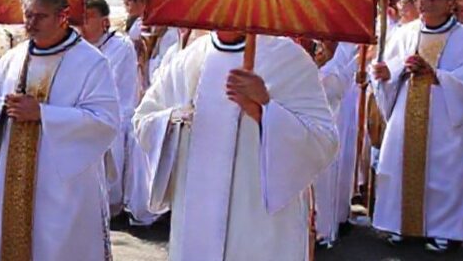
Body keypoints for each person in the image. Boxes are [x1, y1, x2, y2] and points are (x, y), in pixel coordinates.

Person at [134, 31, 337, 260]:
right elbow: (144, 119)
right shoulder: (188, 58)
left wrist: (264, 110)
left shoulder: (288, 58)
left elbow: (323, 139)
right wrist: (173, 119)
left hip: (256, 218)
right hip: (196, 213)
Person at [0, 0, 119, 260]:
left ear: (63, 16)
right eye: (28, 15)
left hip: (63, 180)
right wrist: (2, 108)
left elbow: (105, 120)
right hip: (14, 177)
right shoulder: (13, 58)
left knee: (59, 246)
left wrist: (43, 114)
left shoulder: (90, 62)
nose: (31, 23)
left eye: (40, 16)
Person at [370, 0, 463, 253]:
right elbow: (388, 69)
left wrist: (438, 76)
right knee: (400, 167)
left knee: (444, 174)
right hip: (405, 113)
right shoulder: (405, 32)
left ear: (451, 3)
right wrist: (386, 74)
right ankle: (403, 225)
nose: (425, 3)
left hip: (446, 117)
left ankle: (444, 231)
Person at [79, 0, 139, 217]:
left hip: (117, 112)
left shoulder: (121, 46)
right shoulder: (77, 45)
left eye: (89, 17)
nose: (83, 22)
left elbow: (108, 84)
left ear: (104, 21)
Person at [311, 41, 359, 248]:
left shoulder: (346, 45)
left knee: (323, 171)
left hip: (328, 115)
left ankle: (322, 227)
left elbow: (335, 87)